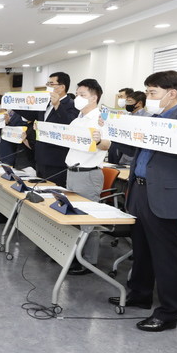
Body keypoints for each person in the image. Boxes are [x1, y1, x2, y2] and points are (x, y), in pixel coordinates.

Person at [108, 70, 177, 332]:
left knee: (165, 257)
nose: (148, 97)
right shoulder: (148, 119)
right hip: (139, 191)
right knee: (141, 249)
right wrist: (118, 132)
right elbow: (132, 151)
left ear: (171, 93)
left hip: (164, 196)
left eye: (152, 92)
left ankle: (169, 312)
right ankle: (139, 295)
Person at [61, 79, 111, 276]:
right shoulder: (77, 119)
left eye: (82, 95)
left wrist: (98, 141)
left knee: (87, 218)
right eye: (77, 94)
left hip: (88, 174)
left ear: (94, 97)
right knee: (74, 216)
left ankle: (89, 261)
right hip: (72, 172)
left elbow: (107, 144)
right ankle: (74, 255)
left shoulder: (101, 118)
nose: (77, 98)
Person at [12, 72, 79, 187]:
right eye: (48, 84)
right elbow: (32, 115)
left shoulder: (71, 104)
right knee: (39, 190)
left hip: (56, 160)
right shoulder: (46, 103)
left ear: (62, 87)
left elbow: (69, 124)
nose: (48, 86)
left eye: (51, 84)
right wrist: (14, 105)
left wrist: (57, 105)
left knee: (54, 191)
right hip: (40, 157)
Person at [113, 91, 149, 165]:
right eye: (127, 101)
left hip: (137, 154)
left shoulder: (148, 117)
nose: (127, 104)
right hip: (124, 154)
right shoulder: (127, 116)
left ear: (139, 103)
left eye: (130, 101)